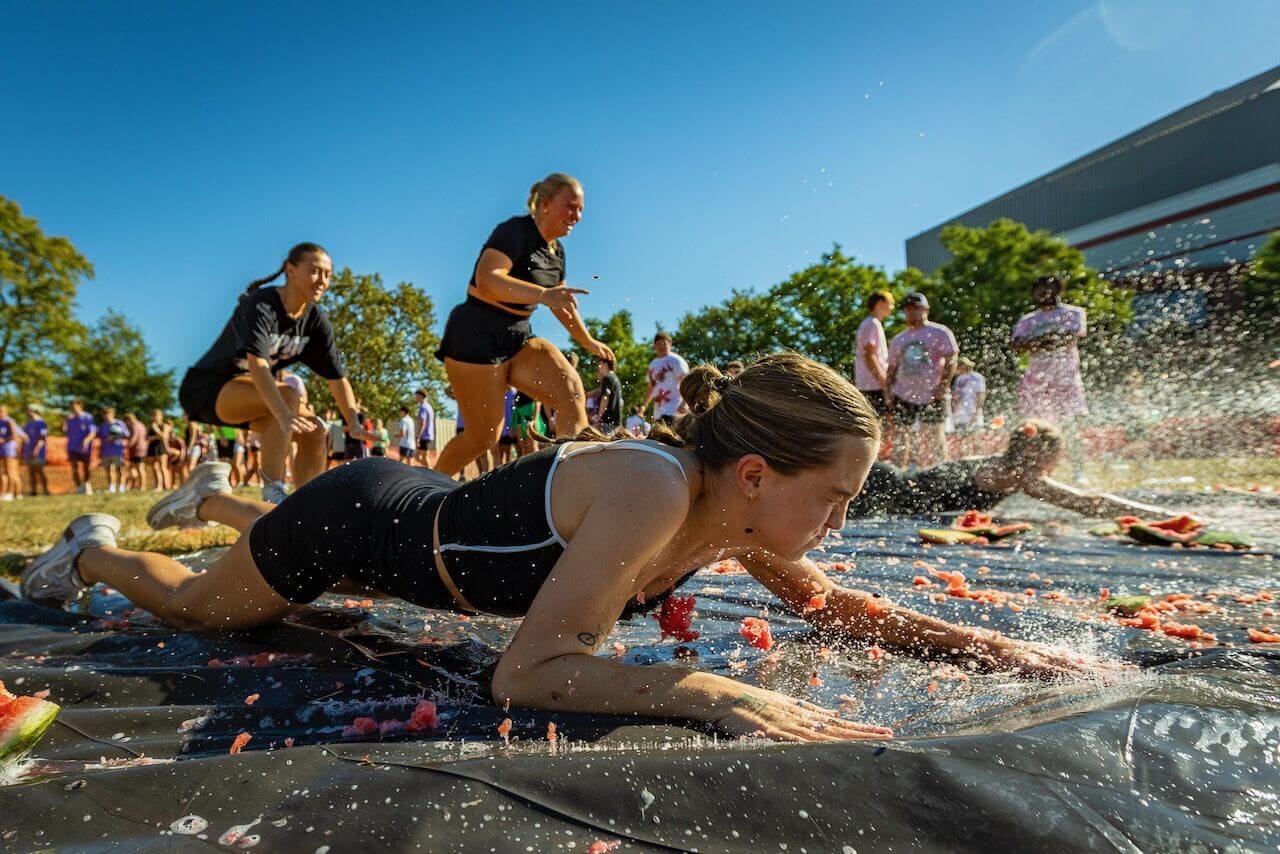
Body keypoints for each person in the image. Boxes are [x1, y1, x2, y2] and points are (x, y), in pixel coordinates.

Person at [22, 354, 1088, 744]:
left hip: (425, 521)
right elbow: (525, 669)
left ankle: (221, 507)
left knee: (301, 583)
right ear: (758, 473)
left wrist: (998, 652)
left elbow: (835, 604)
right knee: (215, 610)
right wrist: (702, 687)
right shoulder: (653, 487)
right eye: (837, 498)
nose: (839, 523)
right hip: (362, 516)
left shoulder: (733, 514)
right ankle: (96, 550)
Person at [433, 173, 614, 478]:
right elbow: (488, 280)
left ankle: (574, 483)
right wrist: (543, 294)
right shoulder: (514, 231)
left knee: (571, 391)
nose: (577, 216)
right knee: (483, 436)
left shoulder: (557, 252)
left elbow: (562, 303)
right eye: (570, 207)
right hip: (474, 335)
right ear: (545, 204)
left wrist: (589, 342)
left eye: (581, 210)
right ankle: (426, 489)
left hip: (517, 337)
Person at [176, 242, 367, 504]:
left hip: (251, 392)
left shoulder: (315, 320)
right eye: (314, 271)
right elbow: (258, 365)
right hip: (206, 390)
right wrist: (283, 414)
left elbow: (337, 378)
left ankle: (306, 508)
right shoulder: (262, 305)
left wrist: (353, 423)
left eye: (328, 274)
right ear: (290, 270)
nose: (322, 280)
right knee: (288, 394)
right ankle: (273, 494)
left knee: (314, 430)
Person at [847, 419, 1172, 519]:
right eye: (1055, 455)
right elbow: (1090, 502)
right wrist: (1159, 516)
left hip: (886, 485)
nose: (1056, 463)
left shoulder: (1003, 465)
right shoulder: (1018, 475)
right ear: (1038, 455)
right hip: (883, 491)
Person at [1011, 276, 1089, 483]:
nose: (1042, 293)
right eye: (1037, 289)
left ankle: (1078, 471)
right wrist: (1048, 340)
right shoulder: (1027, 320)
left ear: (1057, 290)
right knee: (1034, 428)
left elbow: (1068, 338)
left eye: (1047, 288)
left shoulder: (1074, 313)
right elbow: (1017, 345)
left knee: (1070, 426)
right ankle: (1037, 472)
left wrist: (1035, 342)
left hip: (1066, 379)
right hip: (1036, 381)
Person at [885, 293, 957, 470]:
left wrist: (943, 385)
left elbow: (951, 358)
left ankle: (940, 474)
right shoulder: (899, 339)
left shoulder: (939, 332)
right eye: (908, 309)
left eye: (915, 309)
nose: (911, 312)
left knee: (934, 437)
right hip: (903, 394)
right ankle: (896, 475)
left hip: (932, 394)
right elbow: (892, 369)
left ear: (926, 309)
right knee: (901, 437)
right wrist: (888, 393)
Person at [854, 290, 895, 425]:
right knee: (881, 424)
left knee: (872, 422)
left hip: (865, 382)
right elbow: (869, 355)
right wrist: (884, 381)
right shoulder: (873, 323)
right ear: (880, 303)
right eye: (890, 303)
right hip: (874, 384)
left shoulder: (867, 323)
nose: (892, 307)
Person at [644, 332, 689, 426]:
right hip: (658, 410)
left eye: (664, 344)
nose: (661, 347)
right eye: (659, 344)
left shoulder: (676, 361)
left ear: (670, 344)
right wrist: (643, 405)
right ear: (654, 346)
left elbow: (686, 382)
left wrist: (685, 403)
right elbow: (650, 386)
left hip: (675, 408)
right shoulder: (653, 364)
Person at [949, 357, 987, 457]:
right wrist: (954, 407)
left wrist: (978, 408)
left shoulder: (977, 378)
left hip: (972, 410)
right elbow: (956, 395)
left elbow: (980, 394)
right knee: (961, 435)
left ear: (965, 366)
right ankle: (963, 454)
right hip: (960, 412)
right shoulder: (959, 379)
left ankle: (977, 454)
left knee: (975, 434)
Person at [64, 399, 97, 494]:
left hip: (85, 448)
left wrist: (86, 440)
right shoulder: (70, 419)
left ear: (79, 406)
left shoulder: (88, 417)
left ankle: (87, 484)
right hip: (72, 447)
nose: (72, 408)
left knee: (86, 467)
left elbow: (93, 432)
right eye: (71, 407)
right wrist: (66, 420)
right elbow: (64, 430)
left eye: (74, 406)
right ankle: (78, 486)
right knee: (75, 466)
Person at [99, 408, 128, 493]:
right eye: (105, 414)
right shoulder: (102, 426)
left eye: (108, 413)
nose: (107, 416)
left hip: (118, 451)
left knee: (120, 469)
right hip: (106, 451)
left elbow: (126, 435)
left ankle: (122, 487)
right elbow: (101, 438)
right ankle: (112, 487)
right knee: (108, 469)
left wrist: (114, 436)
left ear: (113, 414)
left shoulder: (119, 423)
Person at [22, 405, 49, 497]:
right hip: (28, 451)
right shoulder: (28, 423)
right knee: (31, 471)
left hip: (38, 452)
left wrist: (36, 450)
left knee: (40, 471)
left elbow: (42, 438)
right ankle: (34, 491)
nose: (27, 412)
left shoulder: (41, 423)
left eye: (29, 410)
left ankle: (46, 490)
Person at [0, 405, 26, 501]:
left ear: (6, 412)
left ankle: (13, 493)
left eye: (1, 411)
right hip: (1, 450)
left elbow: (18, 436)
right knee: (3, 472)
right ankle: (3, 492)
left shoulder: (10, 421)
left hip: (10, 449)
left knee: (12, 472)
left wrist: (19, 449)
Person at [593, 357, 624, 433]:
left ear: (605, 364)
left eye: (600, 364)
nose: (599, 367)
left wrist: (599, 418)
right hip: (616, 421)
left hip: (607, 421)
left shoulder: (607, 378)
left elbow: (605, 398)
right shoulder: (616, 379)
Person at [144, 409, 170, 491]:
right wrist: (155, 437)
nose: (156, 417)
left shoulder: (165, 426)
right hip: (152, 448)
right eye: (154, 415)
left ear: (161, 416)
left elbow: (164, 436)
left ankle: (166, 486)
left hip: (161, 447)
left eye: (158, 415)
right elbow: (146, 437)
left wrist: (156, 430)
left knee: (163, 467)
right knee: (155, 467)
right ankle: (158, 486)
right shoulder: (150, 426)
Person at [124, 412, 147, 492]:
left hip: (139, 450)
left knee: (140, 468)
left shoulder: (136, 425)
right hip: (137, 450)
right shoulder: (141, 425)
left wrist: (127, 446)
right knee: (134, 468)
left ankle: (142, 487)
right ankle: (135, 486)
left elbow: (135, 438)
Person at [413, 390, 434, 467]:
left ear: (421, 396)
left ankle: (431, 472)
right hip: (428, 435)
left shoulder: (423, 407)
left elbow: (422, 423)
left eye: (416, 396)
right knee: (418, 456)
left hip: (424, 436)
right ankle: (429, 470)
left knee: (423, 457)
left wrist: (418, 436)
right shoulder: (429, 406)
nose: (415, 398)